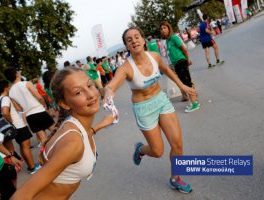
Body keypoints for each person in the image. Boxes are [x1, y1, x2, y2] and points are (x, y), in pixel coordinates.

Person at [103, 27, 196, 193]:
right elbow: (112, 85)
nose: (134, 41)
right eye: (129, 40)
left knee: (177, 144)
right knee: (158, 151)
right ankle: (141, 149)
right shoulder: (126, 68)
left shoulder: (154, 56)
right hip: (144, 109)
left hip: (161, 101)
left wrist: (183, 86)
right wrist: (108, 95)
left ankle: (175, 178)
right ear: (127, 46)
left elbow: (167, 70)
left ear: (143, 40)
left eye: (137, 37)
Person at [10, 67, 115, 200]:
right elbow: (20, 196)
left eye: (90, 85)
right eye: (78, 92)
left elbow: (84, 137)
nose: (91, 94)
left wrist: (102, 124)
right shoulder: (73, 142)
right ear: (64, 103)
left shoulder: (73, 126)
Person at [0, 81, 40, 174]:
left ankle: (30, 165)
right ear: (5, 88)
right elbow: (5, 112)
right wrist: (11, 122)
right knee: (26, 146)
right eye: (8, 87)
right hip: (18, 125)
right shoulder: (5, 98)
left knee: (23, 146)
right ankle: (32, 167)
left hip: (17, 126)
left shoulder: (0, 99)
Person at [4, 67, 55, 146]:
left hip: (29, 116)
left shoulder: (10, 92)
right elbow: (39, 97)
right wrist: (44, 105)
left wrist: (25, 107)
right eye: (18, 72)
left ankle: (48, 155)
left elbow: (18, 108)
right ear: (16, 74)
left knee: (43, 138)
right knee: (54, 131)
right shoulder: (27, 83)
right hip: (39, 110)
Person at [160, 21, 200, 113]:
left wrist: (187, 60)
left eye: (164, 28)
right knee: (187, 82)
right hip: (177, 64)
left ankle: (194, 104)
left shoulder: (174, 37)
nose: (163, 30)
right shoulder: (168, 40)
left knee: (187, 83)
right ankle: (195, 101)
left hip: (181, 62)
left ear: (169, 28)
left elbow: (184, 49)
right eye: (161, 29)